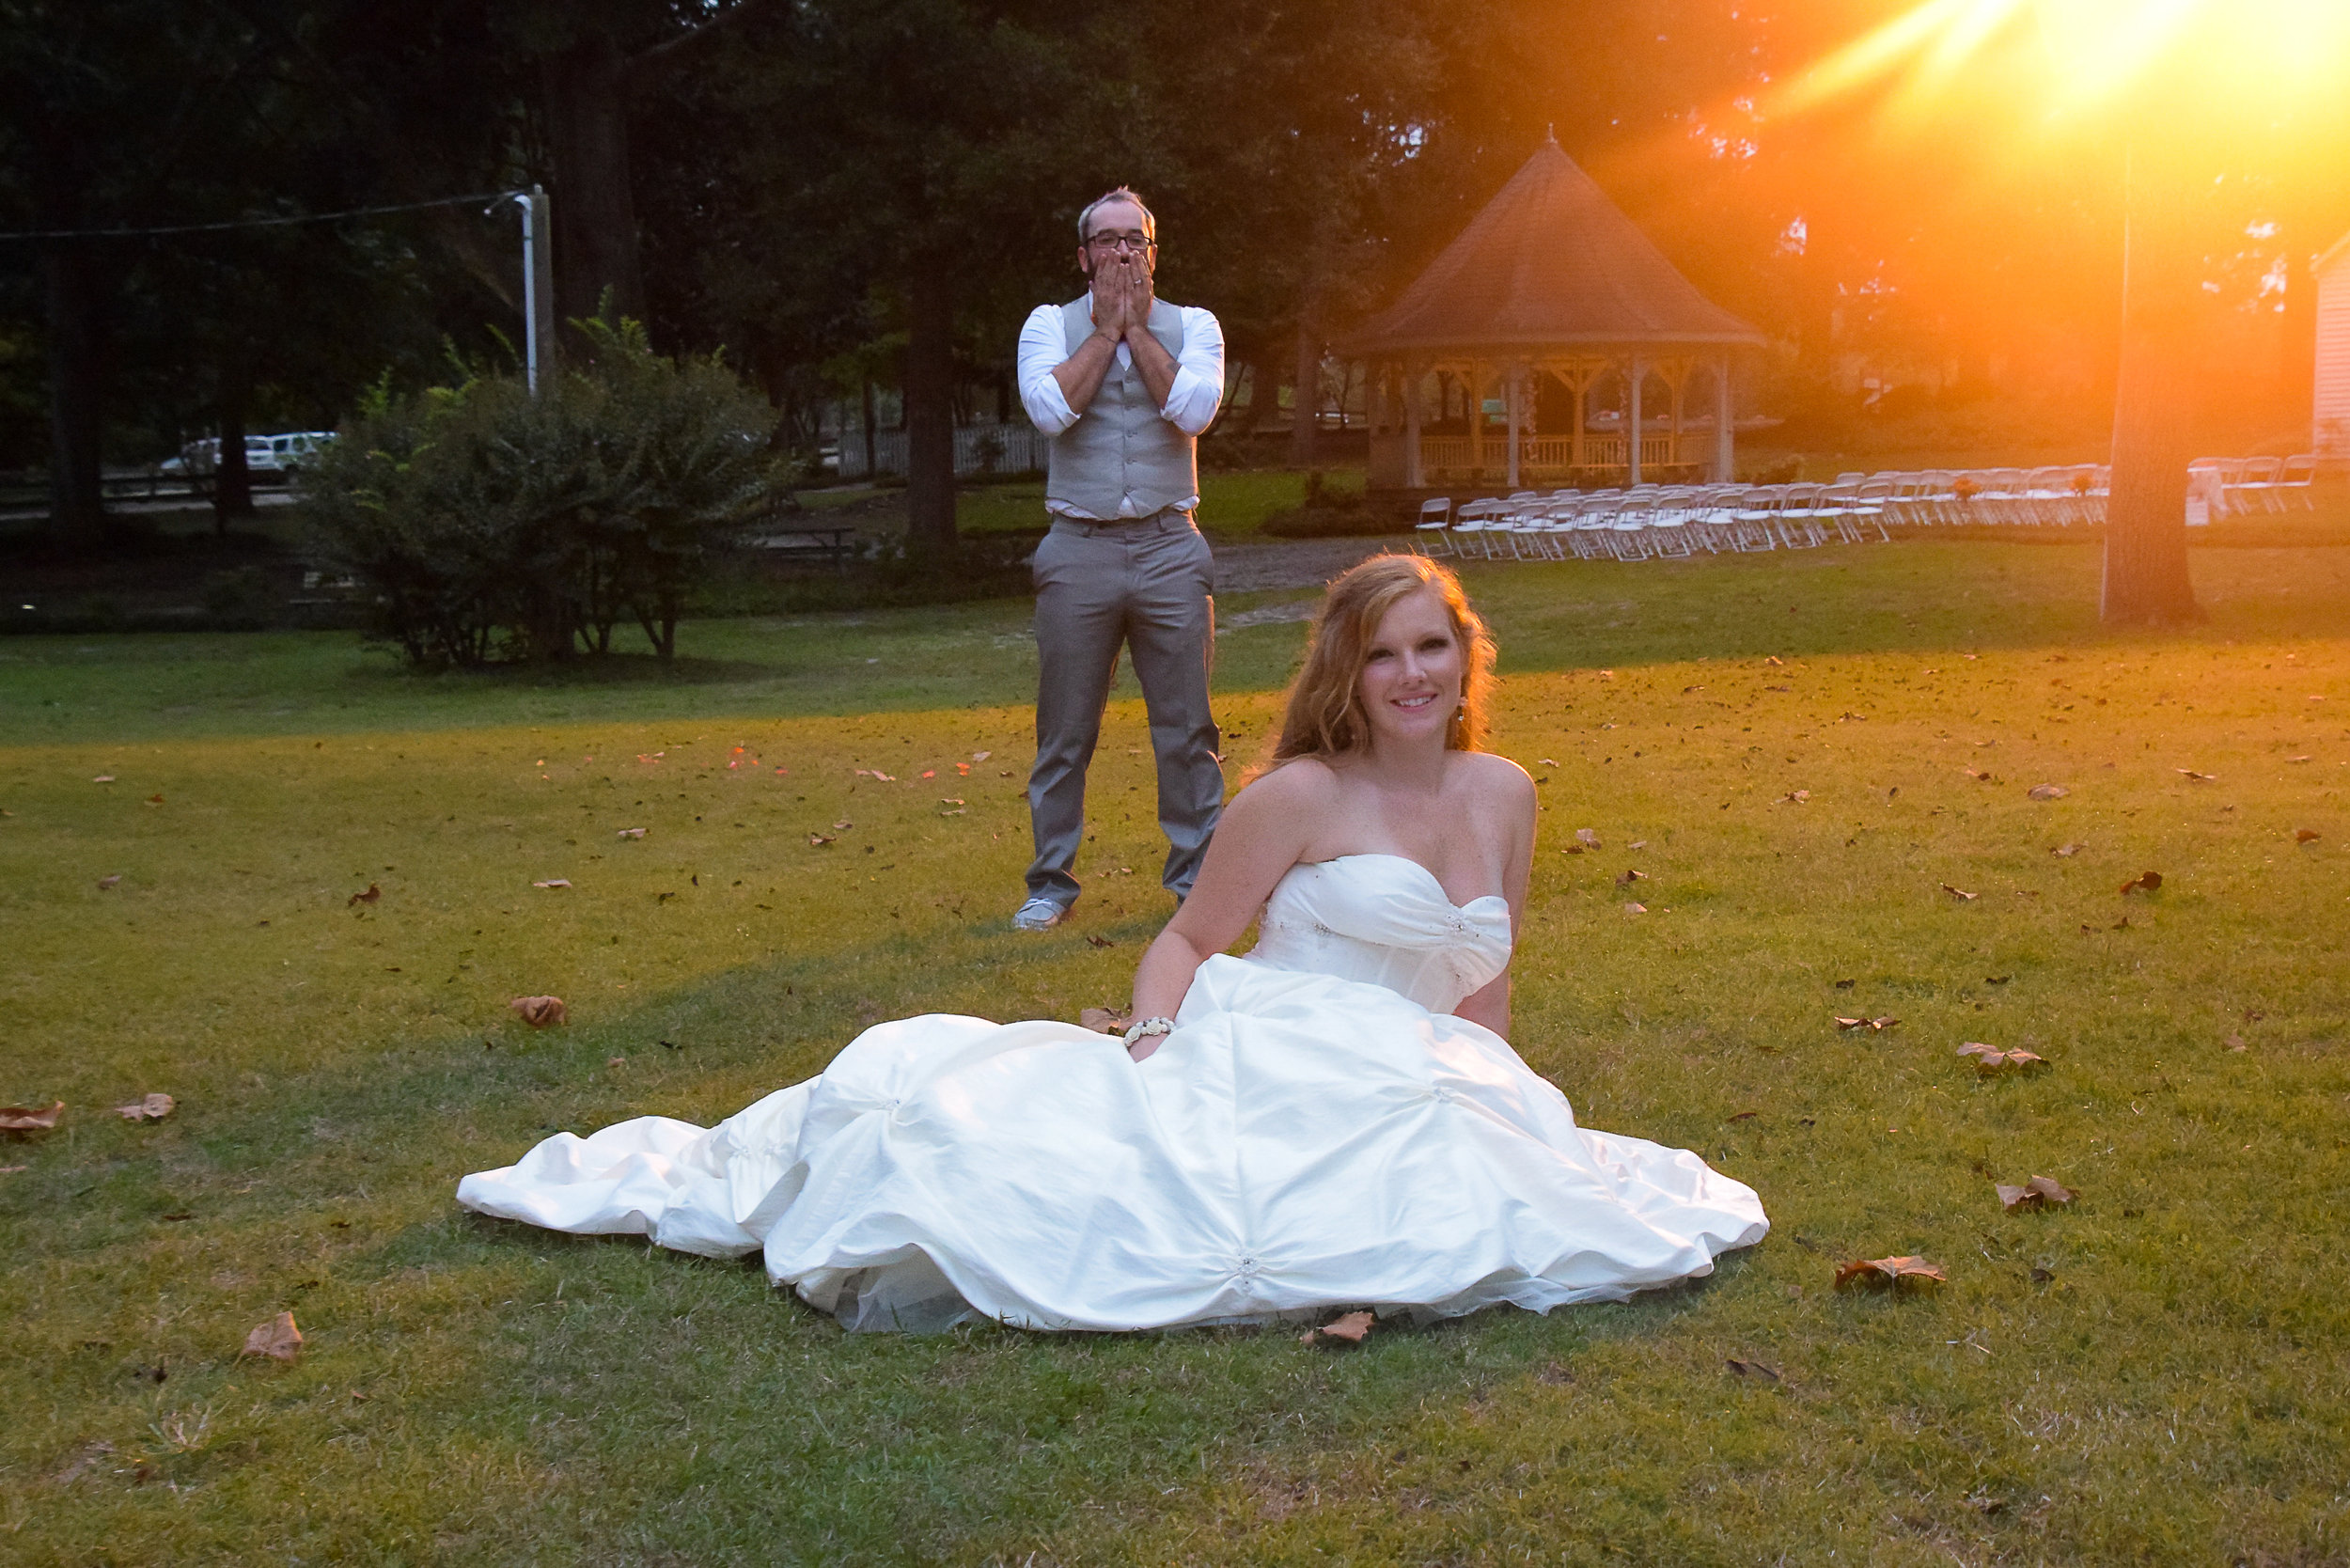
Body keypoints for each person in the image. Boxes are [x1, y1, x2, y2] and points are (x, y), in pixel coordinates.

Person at [458, 556, 1769, 1332]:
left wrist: (1506, 1105)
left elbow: (1488, 988)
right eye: (1384, 656)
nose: (1413, 676)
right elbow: (1190, 942)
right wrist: (1151, 1044)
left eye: (1433, 647)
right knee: (1064, 1172)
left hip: (1424, 1067)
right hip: (1284, 1045)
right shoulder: (1299, 799)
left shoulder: (1507, 793)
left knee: (1515, 1203)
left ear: (1463, 656)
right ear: (1347, 674)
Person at [1009, 186, 1227, 932]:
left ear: (1154, 253)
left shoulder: (1195, 325)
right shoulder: (1049, 325)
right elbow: (1049, 412)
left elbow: (1195, 411)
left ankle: (1197, 882)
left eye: (1135, 239)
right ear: (1083, 255)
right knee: (1064, 731)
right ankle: (1050, 886)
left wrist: (1138, 334)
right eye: (1106, 240)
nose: (1122, 251)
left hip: (1171, 543)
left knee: (1187, 728)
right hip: (1078, 549)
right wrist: (1105, 333)